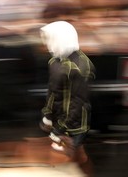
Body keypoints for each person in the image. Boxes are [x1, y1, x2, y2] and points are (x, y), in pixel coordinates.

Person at [39, 21, 95, 157]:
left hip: (74, 127)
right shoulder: (54, 62)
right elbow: (52, 93)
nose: (47, 44)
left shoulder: (80, 66)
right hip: (58, 123)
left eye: (50, 39)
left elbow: (77, 102)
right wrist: (48, 116)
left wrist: (61, 129)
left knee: (69, 161)